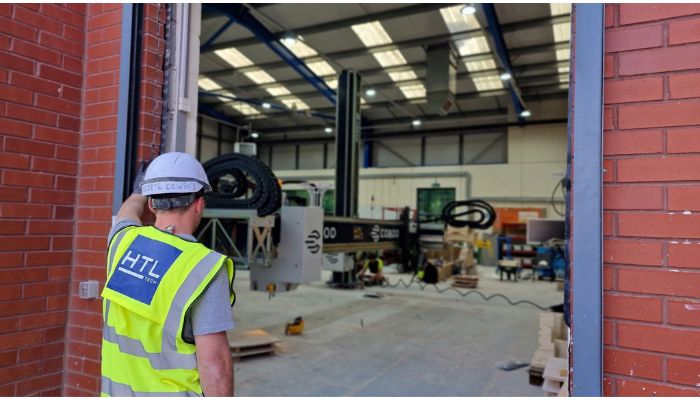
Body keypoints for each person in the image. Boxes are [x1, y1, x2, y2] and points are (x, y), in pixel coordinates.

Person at [100, 152, 235, 396]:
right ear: (199, 204)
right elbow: (214, 363)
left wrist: (139, 190)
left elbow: (128, 210)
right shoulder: (205, 268)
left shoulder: (121, 242)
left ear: (151, 204)